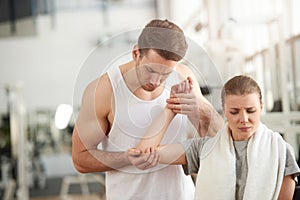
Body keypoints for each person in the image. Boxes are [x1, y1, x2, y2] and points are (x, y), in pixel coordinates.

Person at [72, 19, 223, 200]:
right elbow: (80, 159)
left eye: (165, 74)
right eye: (150, 70)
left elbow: (218, 138)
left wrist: (200, 109)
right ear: (136, 53)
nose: (155, 80)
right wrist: (127, 159)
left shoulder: (183, 77)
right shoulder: (103, 90)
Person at [133, 75, 300, 200]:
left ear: (261, 107)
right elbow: (143, 153)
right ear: (224, 109)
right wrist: (172, 108)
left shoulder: (280, 150)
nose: (244, 119)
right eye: (234, 112)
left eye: (251, 110)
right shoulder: (205, 148)